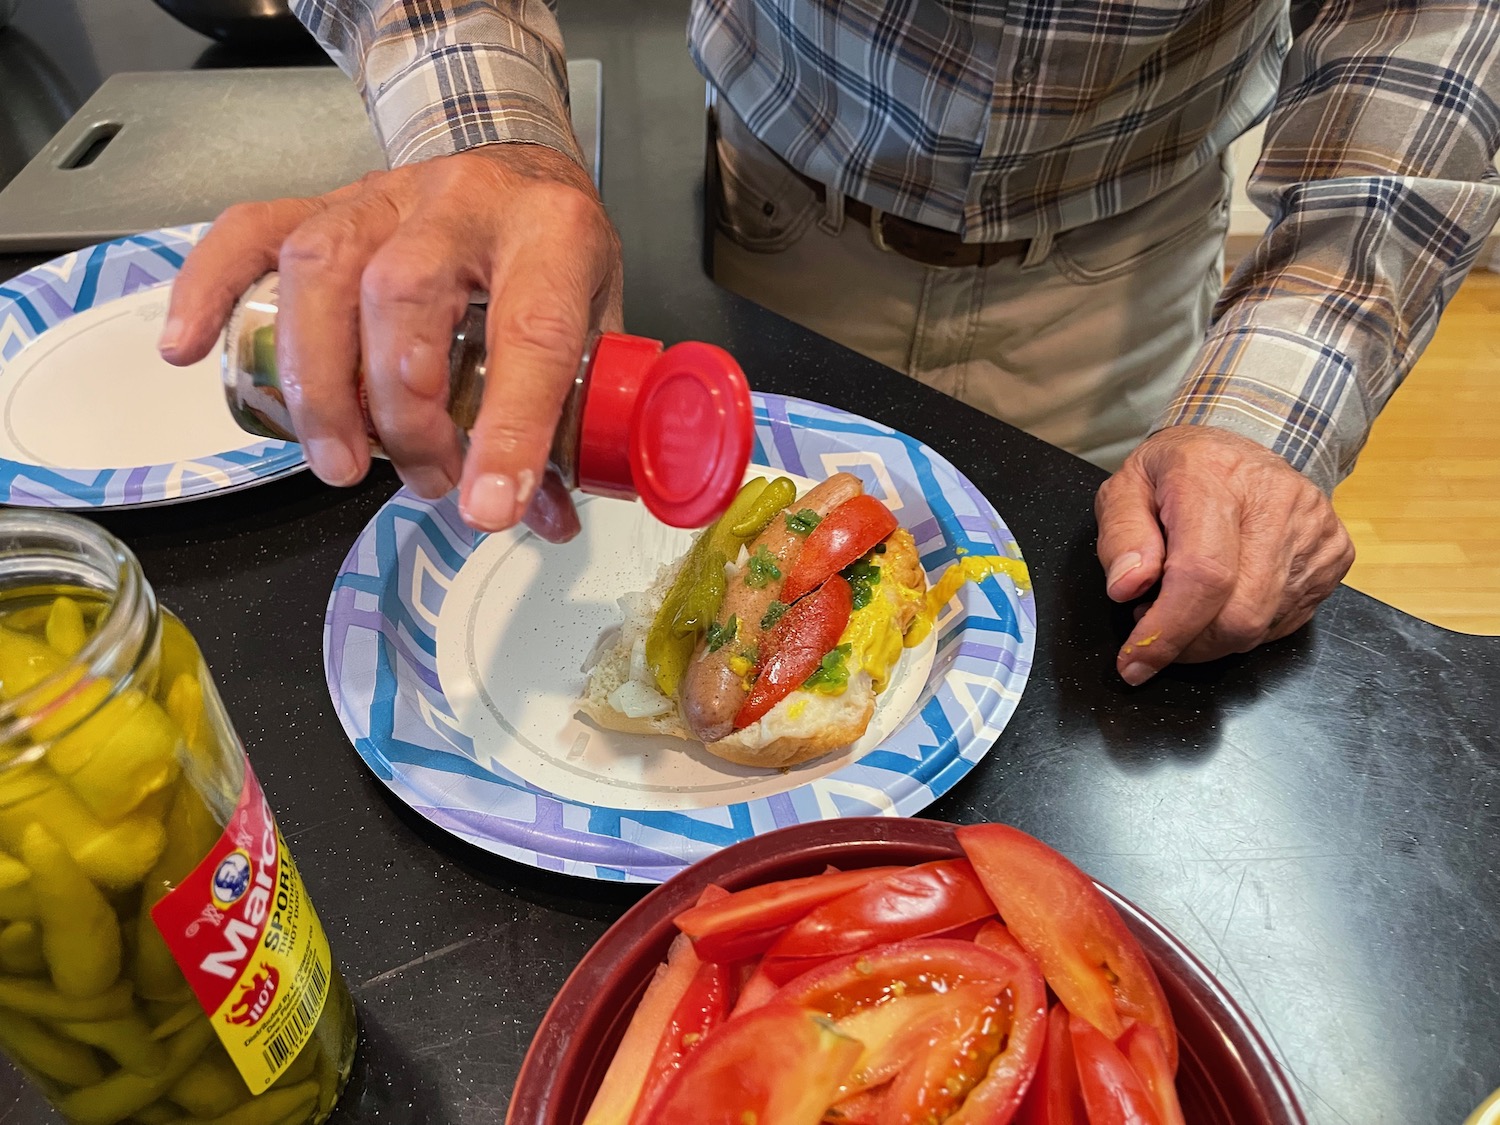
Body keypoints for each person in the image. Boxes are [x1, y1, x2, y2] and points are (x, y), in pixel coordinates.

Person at [159, 0, 1500, 686]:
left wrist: (1265, 421)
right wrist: (485, 133)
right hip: (767, 225)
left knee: (1094, 661)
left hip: (1130, 272)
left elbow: (1425, 50)